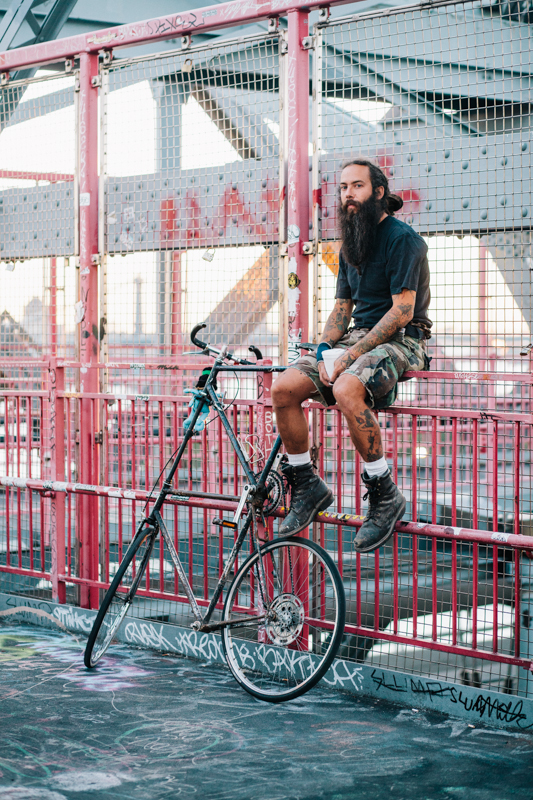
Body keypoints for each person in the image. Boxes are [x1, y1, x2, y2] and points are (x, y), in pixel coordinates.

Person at [272, 158, 432, 552]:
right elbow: (342, 309)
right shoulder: (351, 245)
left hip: (402, 339)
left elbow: (402, 311)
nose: (348, 195)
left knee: (346, 388)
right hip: (357, 340)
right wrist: (326, 349)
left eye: (357, 186)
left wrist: (348, 357)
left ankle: (384, 492)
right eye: (343, 187)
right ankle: (307, 485)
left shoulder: (403, 240)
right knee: (284, 388)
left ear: (379, 192)